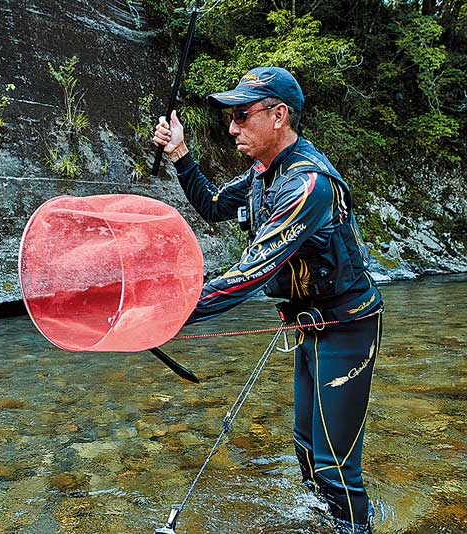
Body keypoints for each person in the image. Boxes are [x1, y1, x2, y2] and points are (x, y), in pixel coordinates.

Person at [152, 66, 383, 534]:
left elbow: (252, 273)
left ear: (278, 116)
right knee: (305, 448)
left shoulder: (306, 185)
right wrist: (179, 154)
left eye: (241, 115)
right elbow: (214, 205)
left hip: (347, 328)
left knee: (335, 465)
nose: (232, 127)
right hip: (304, 325)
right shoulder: (263, 174)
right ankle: (323, 525)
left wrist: (166, 313)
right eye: (231, 117)